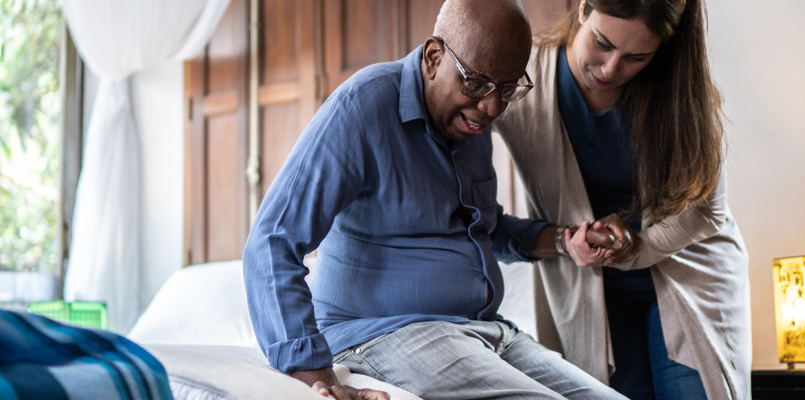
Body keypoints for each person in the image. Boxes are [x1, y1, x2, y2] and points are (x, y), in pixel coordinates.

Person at [243, 1, 630, 399]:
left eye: (508, 88)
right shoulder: (363, 106)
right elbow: (273, 239)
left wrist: (566, 240)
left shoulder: (468, 124)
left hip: (487, 330)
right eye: (478, 84)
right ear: (433, 58)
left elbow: (485, 229)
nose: (492, 108)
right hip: (384, 333)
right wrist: (312, 374)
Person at [492, 0, 751, 399]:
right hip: (591, 289)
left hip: (688, 273)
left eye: (636, 57)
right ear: (582, 9)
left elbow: (708, 210)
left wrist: (639, 247)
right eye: (602, 42)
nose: (611, 69)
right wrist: (562, 239)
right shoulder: (521, 75)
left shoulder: (682, 89)